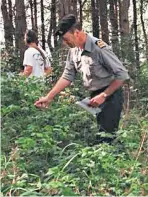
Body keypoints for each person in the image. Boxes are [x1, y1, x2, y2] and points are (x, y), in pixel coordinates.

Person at [34, 14, 129, 144]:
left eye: (66, 39)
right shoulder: (74, 51)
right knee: (99, 136)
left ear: (77, 33)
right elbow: (67, 76)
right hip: (94, 98)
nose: (65, 43)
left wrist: (104, 95)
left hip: (110, 96)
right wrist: (49, 97)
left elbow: (122, 75)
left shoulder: (99, 48)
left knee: (107, 139)